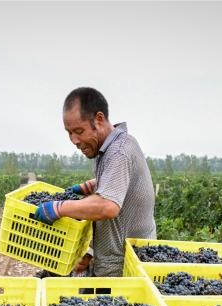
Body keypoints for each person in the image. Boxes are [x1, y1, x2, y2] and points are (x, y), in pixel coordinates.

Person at [33, 87, 156, 277]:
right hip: (113, 260)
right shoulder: (109, 149)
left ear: (99, 119)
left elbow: (108, 206)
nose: (74, 140)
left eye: (79, 131)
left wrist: (59, 208)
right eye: (69, 133)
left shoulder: (118, 152)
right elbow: (120, 184)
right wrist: (91, 252)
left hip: (126, 271)